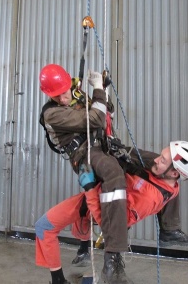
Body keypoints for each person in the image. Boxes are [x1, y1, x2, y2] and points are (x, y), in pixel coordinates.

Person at [35, 141, 188, 284]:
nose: (157, 160)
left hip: (92, 206)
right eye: (161, 156)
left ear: (174, 173)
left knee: (43, 227)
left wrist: (90, 189)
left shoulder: (148, 198)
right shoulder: (170, 184)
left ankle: (58, 280)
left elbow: (111, 225)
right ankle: (83, 250)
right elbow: (150, 162)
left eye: (163, 161)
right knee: (80, 228)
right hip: (99, 197)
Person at [38, 64, 130, 284]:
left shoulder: (77, 95)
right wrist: (97, 89)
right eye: (57, 96)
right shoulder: (52, 113)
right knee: (103, 187)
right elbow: (95, 119)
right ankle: (110, 254)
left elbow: (106, 114)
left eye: (65, 92)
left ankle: (169, 228)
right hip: (85, 156)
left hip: (105, 148)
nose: (63, 98)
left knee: (149, 164)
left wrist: (103, 90)